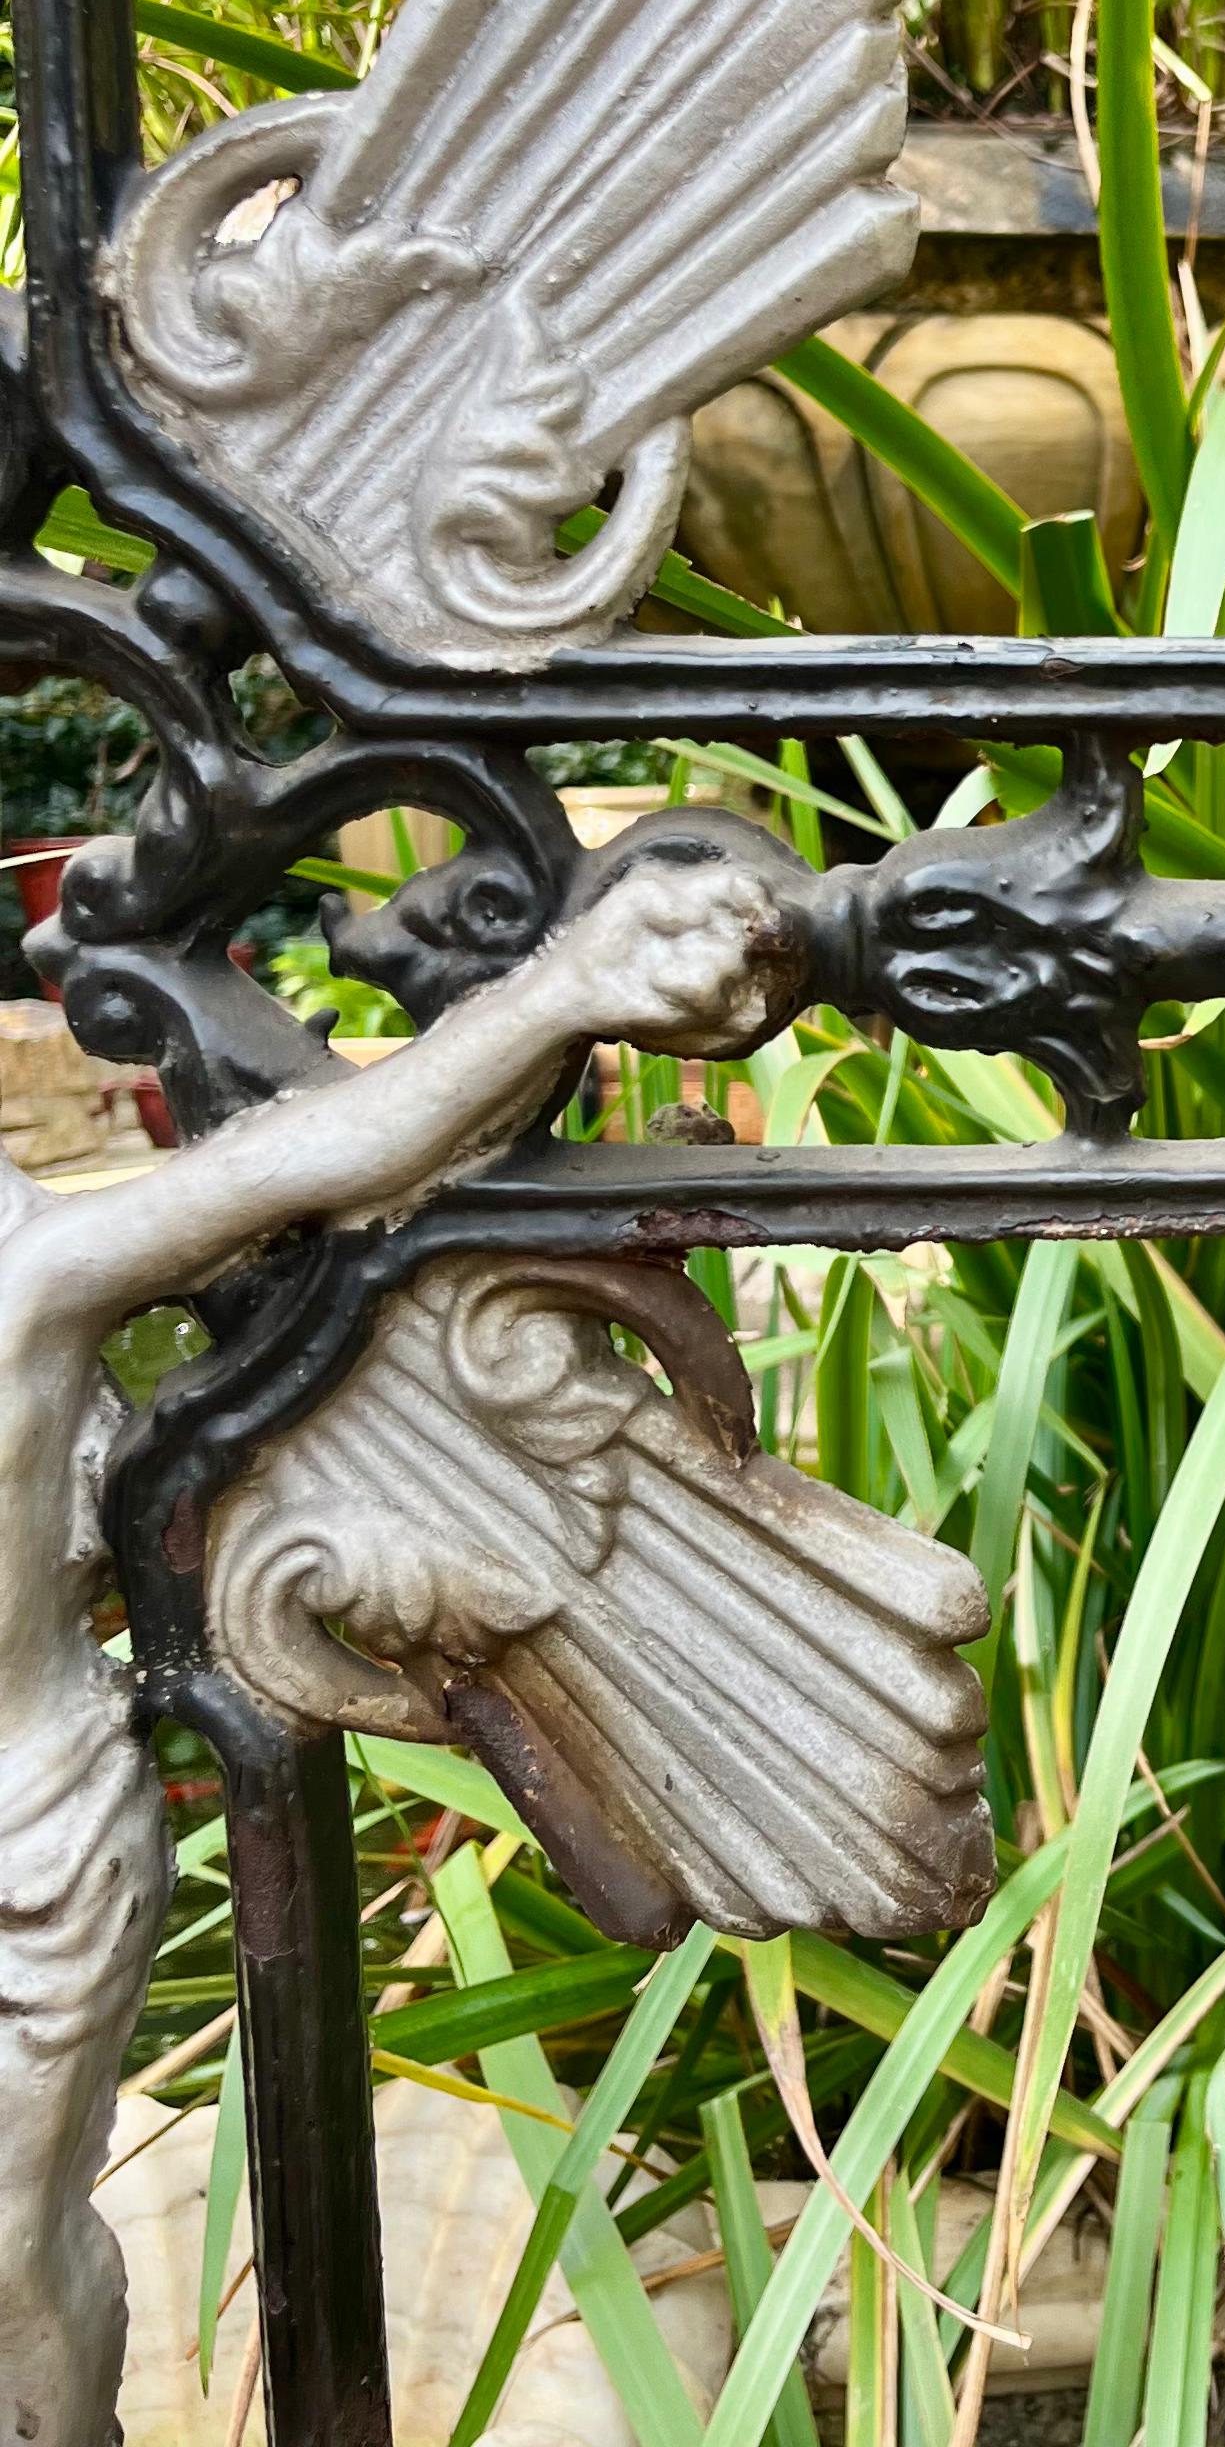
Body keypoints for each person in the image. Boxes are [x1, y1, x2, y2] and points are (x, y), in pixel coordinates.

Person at [0, 853, 792, 2447]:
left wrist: (568, 989)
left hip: (21, 1846)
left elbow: (314, 1158)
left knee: (9, 2266)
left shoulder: (27, 1282)